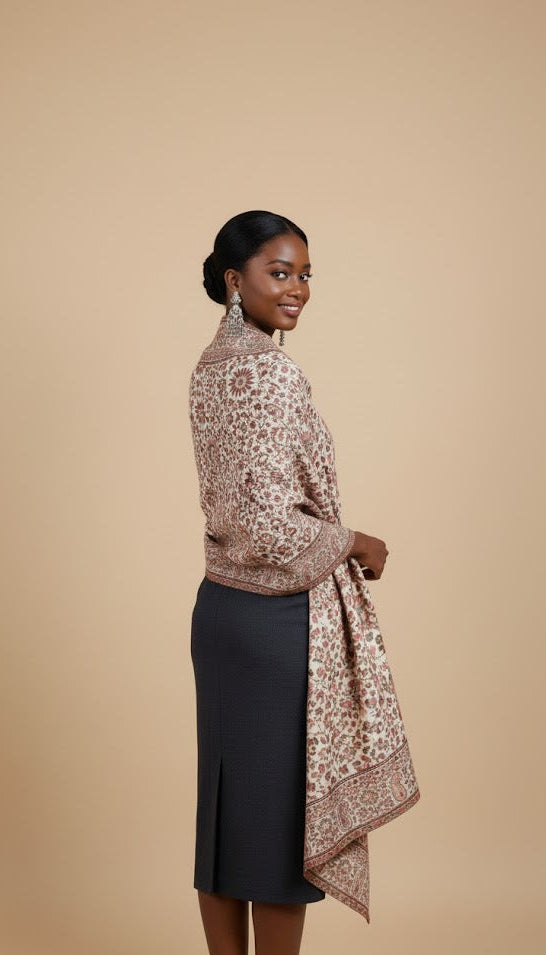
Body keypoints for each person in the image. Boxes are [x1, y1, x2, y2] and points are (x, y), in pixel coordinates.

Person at [188, 210, 420, 955]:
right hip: (276, 622)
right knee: (285, 834)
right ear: (235, 280)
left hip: (221, 612)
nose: (297, 289)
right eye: (279, 272)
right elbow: (268, 526)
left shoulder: (211, 363)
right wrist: (354, 541)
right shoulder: (270, 371)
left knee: (227, 822)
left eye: (305, 274)